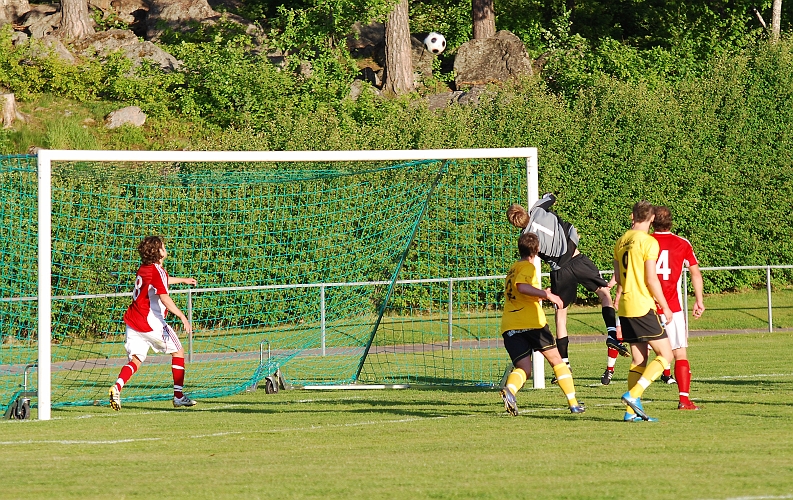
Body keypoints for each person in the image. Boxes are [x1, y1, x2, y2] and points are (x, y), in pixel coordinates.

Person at [508, 194, 628, 383]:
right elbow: (551, 197)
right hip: (577, 259)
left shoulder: (525, 238)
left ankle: (564, 363)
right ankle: (612, 334)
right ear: (523, 210)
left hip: (559, 271)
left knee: (561, 314)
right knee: (604, 294)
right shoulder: (538, 210)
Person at [499, 231, 586, 416]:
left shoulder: (513, 268)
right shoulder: (528, 267)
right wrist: (548, 294)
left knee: (524, 369)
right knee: (557, 360)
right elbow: (521, 287)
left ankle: (510, 391)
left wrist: (539, 293)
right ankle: (573, 403)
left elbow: (522, 290)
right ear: (537, 250)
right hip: (532, 323)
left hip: (510, 325)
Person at [109, 235, 198, 410]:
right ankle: (178, 396)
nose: (166, 249)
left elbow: (162, 281)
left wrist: (183, 280)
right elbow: (164, 296)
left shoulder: (145, 268)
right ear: (158, 252)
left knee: (136, 360)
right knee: (178, 351)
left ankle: (117, 387)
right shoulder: (157, 271)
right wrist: (182, 316)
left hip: (133, 322)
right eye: (163, 246)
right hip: (151, 322)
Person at [613, 201, 675, 422]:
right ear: (651, 219)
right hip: (641, 305)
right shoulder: (649, 242)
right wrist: (665, 306)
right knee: (666, 355)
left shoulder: (620, 241)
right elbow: (651, 278)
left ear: (633, 216)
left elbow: (619, 278)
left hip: (626, 307)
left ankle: (631, 414)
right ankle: (634, 395)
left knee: (638, 360)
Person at [651, 206, 706, 410]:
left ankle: (634, 397)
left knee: (640, 356)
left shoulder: (645, 241)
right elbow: (695, 273)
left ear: (652, 220)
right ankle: (684, 400)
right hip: (672, 309)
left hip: (647, 306)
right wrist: (699, 300)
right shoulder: (682, 243)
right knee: (679, 353)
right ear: (671, 222)